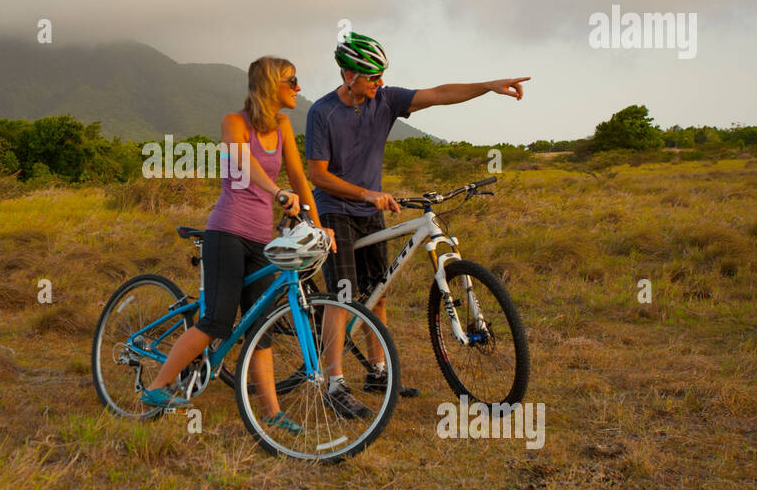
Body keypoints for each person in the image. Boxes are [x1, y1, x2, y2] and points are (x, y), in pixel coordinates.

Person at [305, 32, 529, 415]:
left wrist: (488, 87)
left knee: (379, 290)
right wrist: (365, 194)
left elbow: (439, 94)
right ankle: (334, 383)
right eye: (372, 77)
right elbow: (318, 175)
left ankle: (377, 371)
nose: (380, 83)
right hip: (336, 210)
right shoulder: (322, 113)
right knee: (342, 295)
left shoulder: (386, 99)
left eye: (381, 76)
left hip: (370, 212)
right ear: (348, 75)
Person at [140, 56, 335, 433]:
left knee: (260, 327)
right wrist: (276, 192)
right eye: (292, 81)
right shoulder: (234, 122)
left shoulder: (281, 126)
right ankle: (158, 386)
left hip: (262, 240)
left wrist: (318, 224)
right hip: (227, 232)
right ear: (269, 85)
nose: (298, 88)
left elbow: (299, 177)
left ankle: (272, 414)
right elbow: (242, 160)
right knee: (216, 321)